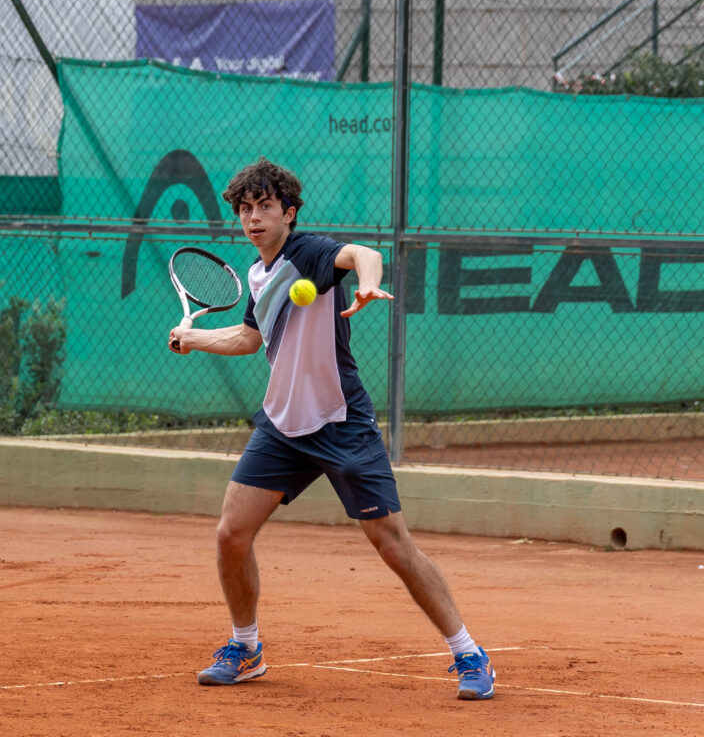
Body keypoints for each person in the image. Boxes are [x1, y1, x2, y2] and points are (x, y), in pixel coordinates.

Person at [168, 157, 495, 700]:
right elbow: (251, 338)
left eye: (265, 207)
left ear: (289, 213)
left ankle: (469, 653)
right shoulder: (259, 273)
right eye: (246, 210)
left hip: (341, 423)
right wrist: (194, 338)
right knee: (231, 534)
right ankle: (245, 648)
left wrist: (367, 284)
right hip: (282, 425)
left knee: (394, 546)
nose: (254, 219)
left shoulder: (308, 254)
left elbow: (364, 253)